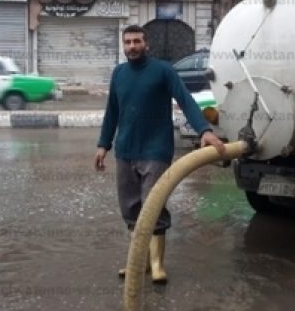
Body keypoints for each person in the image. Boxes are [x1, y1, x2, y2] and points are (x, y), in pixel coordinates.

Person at [94, 25, 225, 284]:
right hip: (126, 150)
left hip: (156, 150)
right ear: (124, 45)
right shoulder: (119, 73)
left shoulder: (163, 70)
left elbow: (186, 100)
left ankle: (157, 265)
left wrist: (204, 131)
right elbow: (112, 112)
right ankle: (138, 262)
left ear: (147, 44)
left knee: (152, 205)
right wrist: (103, 144)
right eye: (128, 42)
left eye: (137, 41)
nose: (132, 46)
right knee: (130, 207)